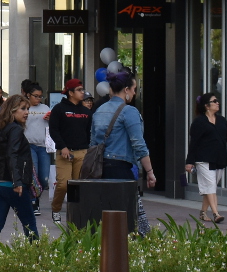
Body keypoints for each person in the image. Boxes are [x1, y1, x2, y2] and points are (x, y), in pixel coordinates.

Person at [89, 70, 156, 235]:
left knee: (104, 215)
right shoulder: (129, 111)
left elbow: (92, 144)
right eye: (134, 89)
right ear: (126, 90)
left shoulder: (99, 110)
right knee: (126, 218)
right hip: (120, 169)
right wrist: (149, 171)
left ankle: (105, 251)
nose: (134, 93)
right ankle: (123, 253)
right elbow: (139, 145)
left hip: (99, 169)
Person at [0, 95, 39, 242]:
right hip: (12, 184)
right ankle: (38, 258)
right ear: (12, 111)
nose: (27, 112)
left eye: (27, 109)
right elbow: (12, 154)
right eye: (23, 109)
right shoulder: (15, 129)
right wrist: (17, 181)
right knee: (29, 224)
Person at [185, 92, 227, 224]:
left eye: (218, 100)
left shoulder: (221, 120)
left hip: (219, 159)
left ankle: (203, 212)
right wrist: (189, 162)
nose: (218, 103)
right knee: (210, 186)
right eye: (214, 101)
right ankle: (216, 214)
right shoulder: (199, 122)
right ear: (206, 106)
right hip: (203, 159)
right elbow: (194, 142)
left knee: (210, 188)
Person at [48, 79, 92, 218]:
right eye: (79, 90)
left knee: (78, 186)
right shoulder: (59, 109)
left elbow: (89, 131)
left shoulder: (86, 111)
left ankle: (75, 213)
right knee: (63, 184)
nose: (82, 92)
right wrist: (62, 147)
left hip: (82, 152)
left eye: (82, 89)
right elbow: (53, 130)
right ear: (70, 92)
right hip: (64, 153)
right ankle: (56, 209)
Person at [21, 81, 53, 195]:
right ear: (28, 95)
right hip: (28, 145)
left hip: (43, 146)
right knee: (33, 176)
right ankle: (33, 202)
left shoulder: (45, 107)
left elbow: (53, 125)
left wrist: (51, 118)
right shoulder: (23, 107)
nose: (39, 99)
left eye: (40, 96)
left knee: (44, 178)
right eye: (36, 96)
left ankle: (35, 198)